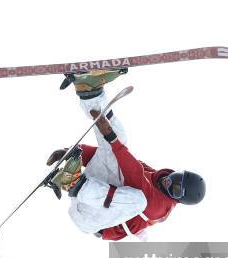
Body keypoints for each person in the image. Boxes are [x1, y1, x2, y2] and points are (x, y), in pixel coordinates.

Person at [47, 70, 206, 241]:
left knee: (138, 198)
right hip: (94, 193)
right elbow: (114, 160)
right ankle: (89, 92)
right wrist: (75, 153)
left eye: (174, 189)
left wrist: (112, 139)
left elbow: (134, 174)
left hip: (91, 218)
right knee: (120, 148)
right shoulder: (156, 176)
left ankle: (72, 183)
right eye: (176, 178)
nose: (169, 181)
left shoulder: (159, 207)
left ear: (177, 200)